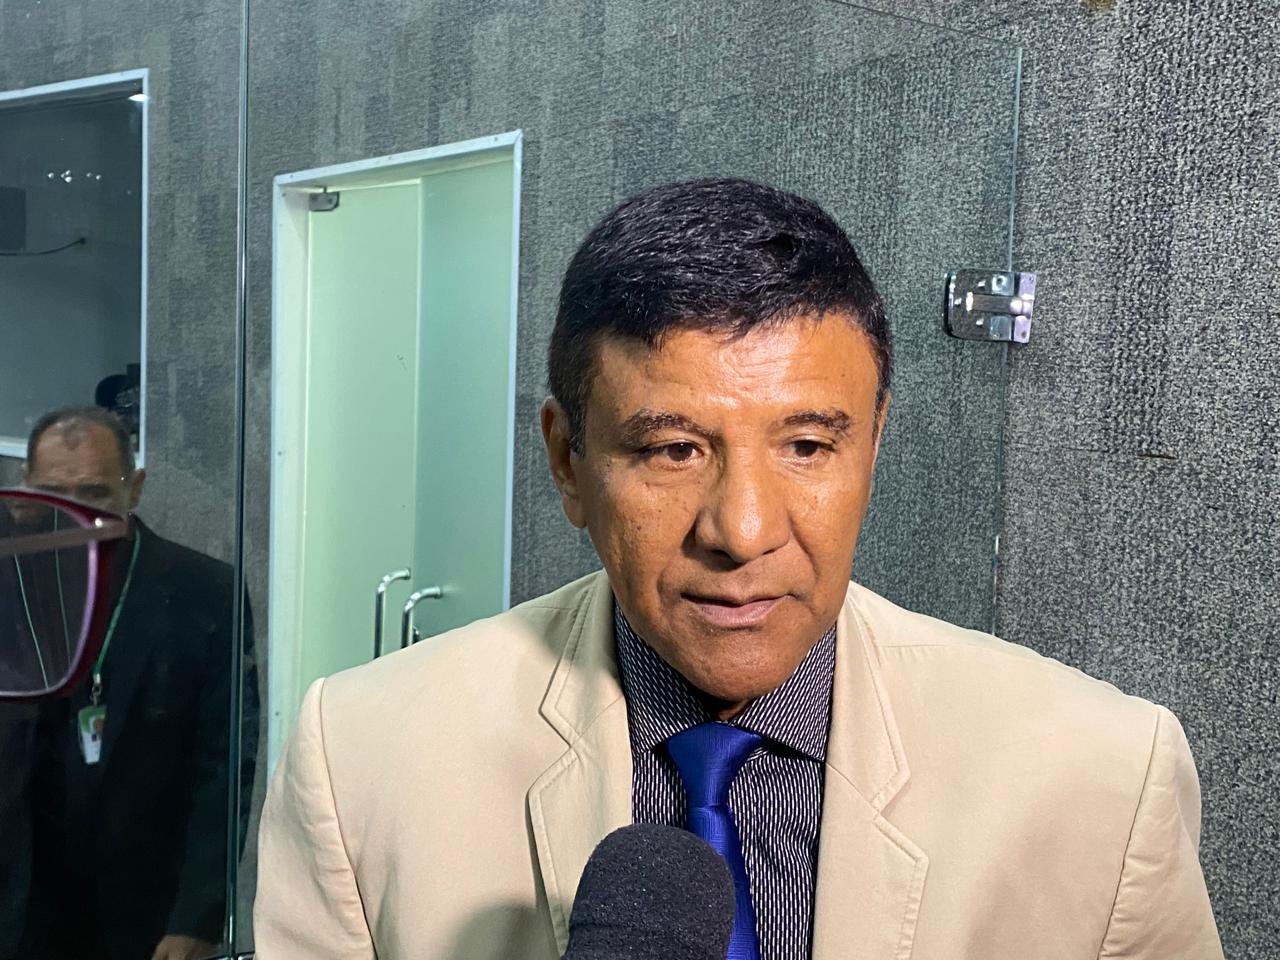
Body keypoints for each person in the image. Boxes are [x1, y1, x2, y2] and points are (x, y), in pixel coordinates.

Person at [254, 179, 1223, 959]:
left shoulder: (1100, 779)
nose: (744, 531)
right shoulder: (366, 762)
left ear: (873, 445)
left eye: (807, 446)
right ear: (567, 463)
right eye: (671, 449)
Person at [0, 406, 257, 960]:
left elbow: (225, 767)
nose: (73, 512)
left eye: (93, 494)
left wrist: (199, 917)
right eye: (53, 493)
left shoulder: (203, 592)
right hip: (18, 895)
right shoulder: (8, 574)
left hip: (142, 905)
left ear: (133, 488)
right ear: (26, 486)